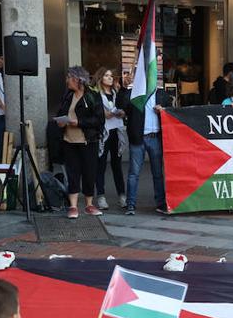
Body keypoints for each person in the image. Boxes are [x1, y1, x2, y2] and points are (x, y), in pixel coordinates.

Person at [53, 66, 104, 219]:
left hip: (88, 141)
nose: (67, 81)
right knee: (72, 172)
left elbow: (98, 120)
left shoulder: (92, 96)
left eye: (69, 78)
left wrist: (79, 122)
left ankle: (89, 204)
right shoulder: (68, 95)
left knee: (89, 172)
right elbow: (61, 112)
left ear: (77, 80)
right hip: (69, 140)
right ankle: (73, 206)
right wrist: (60, 121)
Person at [121, 63, 171, 216]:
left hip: (155, 137)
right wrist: (125, 88)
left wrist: (163, 111)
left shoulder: (162, 94)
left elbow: (171, 114)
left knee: (157, 173)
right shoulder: (135, 94)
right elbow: (121, 106)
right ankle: (130, 204)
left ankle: (161, 203)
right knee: (133, 173)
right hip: (138, 138)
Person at [91, 67, 127, 210]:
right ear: (100, 78)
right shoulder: (96, 95)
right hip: (103, 133)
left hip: (116, 132)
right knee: (101, 165)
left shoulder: (116, 93)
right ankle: (101, 196)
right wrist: (103, 114)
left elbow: (123, 108)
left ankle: (122, 196)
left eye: (111, 76)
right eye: (106, 75)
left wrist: (122, 113)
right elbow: (95, 112)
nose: (110, 78)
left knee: (117, 165)